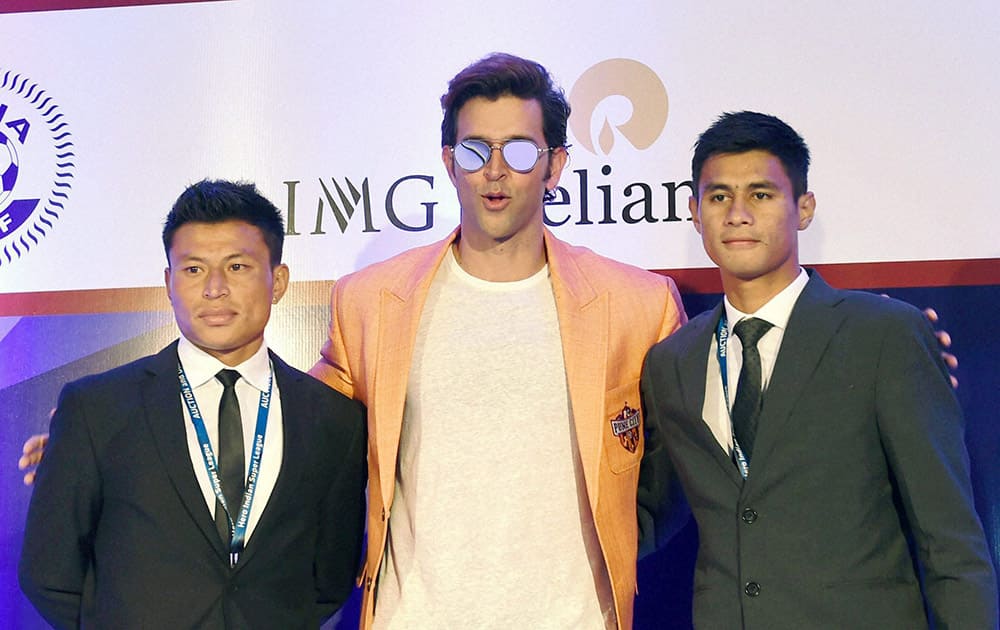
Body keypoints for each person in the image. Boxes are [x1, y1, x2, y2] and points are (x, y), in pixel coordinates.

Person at [306, 53, 686, 629]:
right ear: (449, 162)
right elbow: (314, 453)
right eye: (476, 149)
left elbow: (674, 471)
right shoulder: (369, 302)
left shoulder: (637, 304)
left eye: (520, 149)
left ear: (555, 165)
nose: (496, 170)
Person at [639, 111, 997, 628]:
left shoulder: (883, 335)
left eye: (761, 194)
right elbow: (650, 513)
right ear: (695, 212)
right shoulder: (672, 361)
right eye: (719, 197)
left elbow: (951, 541)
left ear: (803, 208)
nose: (737, 214)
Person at [18, 180, 367, 629]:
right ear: (168, 282)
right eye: (193, 270)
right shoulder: (96, 408)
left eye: (238, 266)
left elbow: (330, 578)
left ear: (277, 281)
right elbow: (49, 573)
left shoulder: (332, 419)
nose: (215, 289)